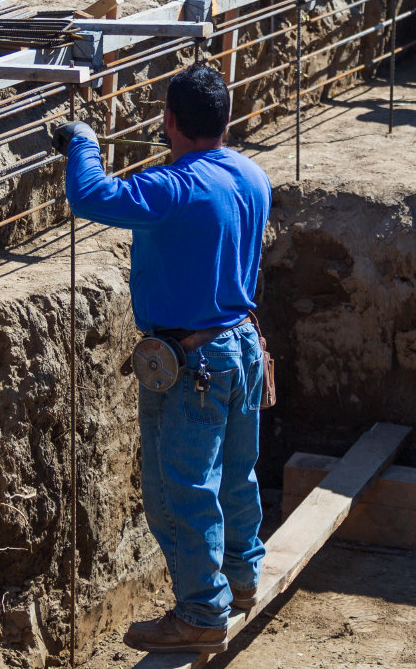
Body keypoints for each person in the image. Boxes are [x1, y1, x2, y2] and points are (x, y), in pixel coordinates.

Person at [53, 64, 271, 655]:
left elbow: (90, 194)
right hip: (242, 349)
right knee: (235, 471)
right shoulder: (252, 175)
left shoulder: (174, 188)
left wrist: (83, 143)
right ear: (226, 118)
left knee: (181, 489)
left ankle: (202, 611)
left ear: (169, 120)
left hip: (193, 364)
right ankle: (242, 577)